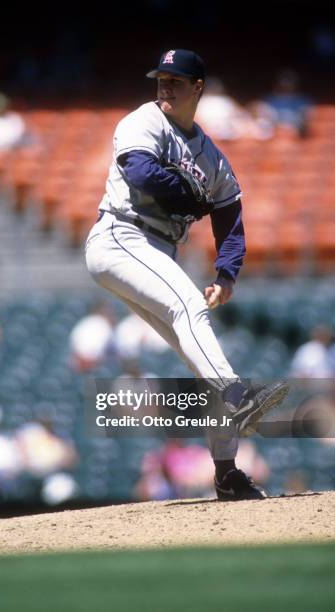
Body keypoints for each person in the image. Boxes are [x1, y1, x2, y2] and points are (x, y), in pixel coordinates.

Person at [85, 48, 289, 501]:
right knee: (189, 308)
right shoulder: (143, 121)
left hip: (158, 250)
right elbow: (140, 173)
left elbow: (230, 217)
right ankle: (238, 393)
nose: (165, 86)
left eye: (175, 80)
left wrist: (227, 273)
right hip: (121, 235)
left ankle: (226, 473)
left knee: (199, 350)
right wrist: (193, 197)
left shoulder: (212, 156)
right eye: (161, 78)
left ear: (198, 87)